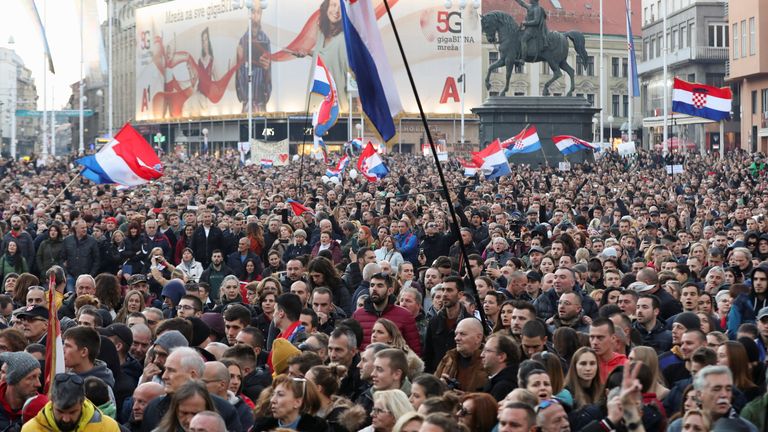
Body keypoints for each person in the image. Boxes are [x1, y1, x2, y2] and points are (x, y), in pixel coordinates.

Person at [22, 372, 120, 431]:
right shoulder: (31, 429)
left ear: (83, 402)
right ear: (51, 401)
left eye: (72, 412)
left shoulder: (107, 428)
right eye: (60, 411)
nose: (66, 419)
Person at [353, 273, 421, 355]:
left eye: (380, 286)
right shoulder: (358, 315)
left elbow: (414, 351)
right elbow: (353, 347)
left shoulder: (404, 315)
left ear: (390, 291)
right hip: (365, 365)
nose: (374, 289)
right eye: (372, 285)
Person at [250, 374, 330, 431]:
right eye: (273, 394)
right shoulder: (262, 426)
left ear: (297, 402)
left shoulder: (319, 428)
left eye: (280, 395)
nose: (272, 400)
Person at [236, 3, 271, 112]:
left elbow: (269, 80)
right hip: (247, 104)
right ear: (249, 14)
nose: (255, 16)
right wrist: (240, 62)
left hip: (260, 104)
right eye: (253, 12)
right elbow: (239, 78)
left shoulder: (265, 40)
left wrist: (266, 69)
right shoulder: (243, 40)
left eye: (258, 12)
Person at [0, 351, 41, 431]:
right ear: (14, 379)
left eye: (38, 376)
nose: (38, 384)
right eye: (32, 377)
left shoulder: (41, 410)